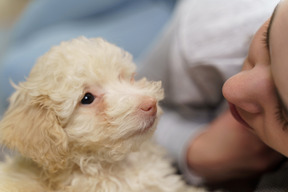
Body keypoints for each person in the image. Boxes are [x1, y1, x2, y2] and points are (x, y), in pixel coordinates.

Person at [138, 0, 287, 191]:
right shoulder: (210, 33)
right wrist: (192, 151)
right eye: (266, 40)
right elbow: (131, 98)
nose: (232, 89)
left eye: (282, 113)